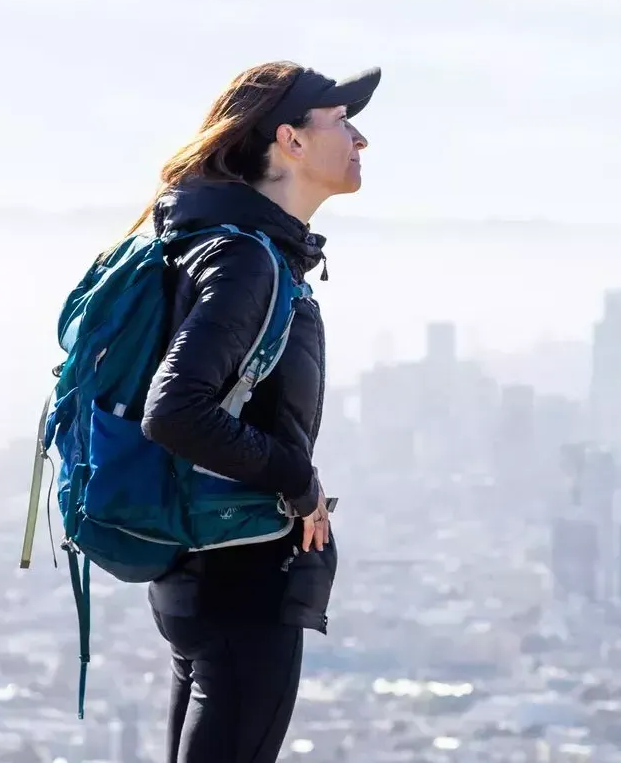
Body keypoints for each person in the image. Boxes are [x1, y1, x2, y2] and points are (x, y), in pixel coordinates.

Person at [133, 60, 378, 763]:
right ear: (290, 141)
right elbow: (175, 410)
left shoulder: (235, 246)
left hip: (203, 570)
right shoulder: (245, 259)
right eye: (341, 122)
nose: (361, 140)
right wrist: (297, 483)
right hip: (238, 580)